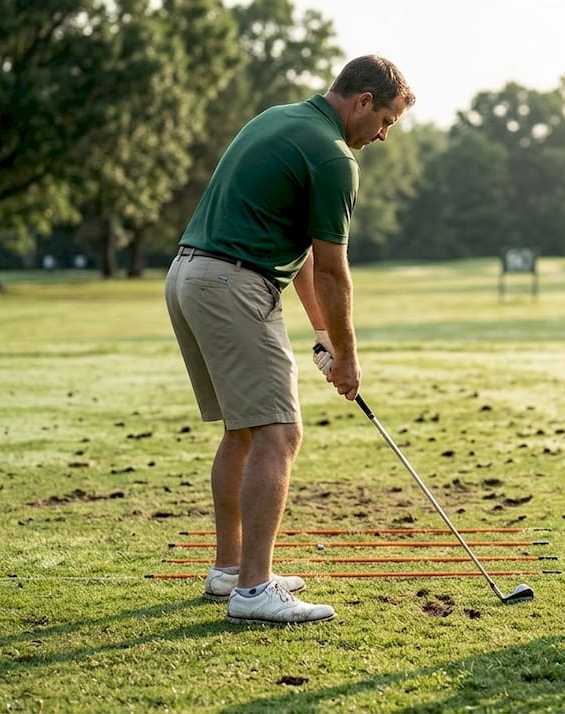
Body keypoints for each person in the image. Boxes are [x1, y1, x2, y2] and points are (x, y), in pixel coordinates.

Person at [164, 55, 415, 625]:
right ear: (363, 101)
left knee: (244, 431)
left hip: (189, 276)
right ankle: (254, 589)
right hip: (233, 284)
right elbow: (332, 270)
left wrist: (324, 334)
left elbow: (299, 252)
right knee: (280, 432)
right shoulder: (334, 157)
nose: (382, 136)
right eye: (386, 122)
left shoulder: (277, 119)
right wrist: (348, 359)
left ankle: (231, 569)